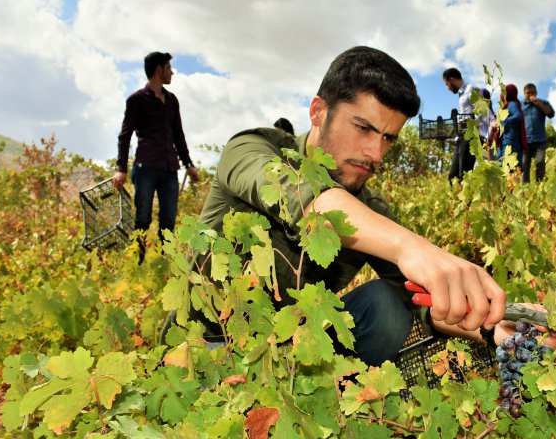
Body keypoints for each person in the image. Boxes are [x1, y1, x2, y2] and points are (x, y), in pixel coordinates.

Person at [166, 46, 536, 367]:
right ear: (317, 111)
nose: (375, 154)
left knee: (389, 305)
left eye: (388, 138)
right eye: (363, 128)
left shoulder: (369, 206)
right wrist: (410, 246)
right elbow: (303, 197)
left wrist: (498, 330)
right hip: (206, 349)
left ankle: (333, 405)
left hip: (298, 351)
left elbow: (424, 299)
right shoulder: (253, 149)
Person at [113, 51, 200, 257]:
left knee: (168, 221)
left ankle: (165, 264)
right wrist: (121, 169)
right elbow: (124, 136)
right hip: (146, 168)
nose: (172, 73)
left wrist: (189, 164)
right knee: (142, 219)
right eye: (169, 68)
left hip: (170, 169)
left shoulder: (172, 100)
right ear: (159, 69)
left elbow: (178, 135)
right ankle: (139, 262)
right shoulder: (137, 100)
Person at [442, 68, 479, 182]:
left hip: (470, 136)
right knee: (453, 177)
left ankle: (468, 199)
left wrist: (470, 120)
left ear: (452, 80)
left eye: (447, 84)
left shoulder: (471, 90)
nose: (447, 88)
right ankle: (456, 199)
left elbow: (482, 113)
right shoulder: (461, 94)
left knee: (465, 174)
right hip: (461, 137)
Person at [521, 83, 555, 183]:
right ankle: (525, 190)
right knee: (524, 165)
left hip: (540, 140)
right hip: (525, 141)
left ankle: (539, 186)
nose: (530, 94)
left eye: (533, 92)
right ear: (524, 94)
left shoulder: (543, 102)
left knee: (540, 162)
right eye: (528, 93)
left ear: (536, 92)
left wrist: (538, 103)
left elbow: (551, 114)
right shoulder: (520, 106)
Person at [497, 84, 527, 164]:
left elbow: (518, 116)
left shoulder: (512, 104)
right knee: (502, 167)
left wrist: (502, 122)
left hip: (510, 141)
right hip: (506, 141)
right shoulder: (507, 106)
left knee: (509, 167)